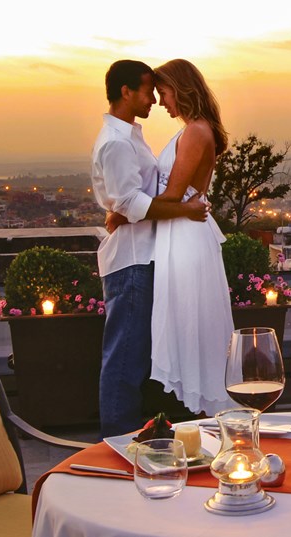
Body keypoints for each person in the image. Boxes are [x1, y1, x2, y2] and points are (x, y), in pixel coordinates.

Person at [109, 58, 235, 417]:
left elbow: (174, 193)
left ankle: (205, 413)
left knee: (192, 325)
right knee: (187, 326)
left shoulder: (195, 131)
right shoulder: (193, 130)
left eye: (163, 93)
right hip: (177, 232)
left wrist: (122, 213)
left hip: (185, 237)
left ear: (180, 90)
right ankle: (200, 414)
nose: (161, 102)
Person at [91, 59, 208, 438]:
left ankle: (130, 436)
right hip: (131, 259)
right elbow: (129, 202)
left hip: (143, 254)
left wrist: (123, 212)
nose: (154, 101)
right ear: (126, 92)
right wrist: (184, 210)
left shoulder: (129, 137)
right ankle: (117, 438)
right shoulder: (116, 142)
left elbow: (130, 202)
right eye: (147, 92)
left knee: (136, 354)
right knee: (125, 355)